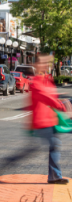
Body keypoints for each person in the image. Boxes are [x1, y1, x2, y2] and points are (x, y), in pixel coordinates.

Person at [30, 54, 69, 184]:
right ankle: (54, 176)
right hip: (41, 122)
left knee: (52, 145)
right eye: (42, 63)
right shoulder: (36, 81)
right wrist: (61, 106)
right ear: (36, 65)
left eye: (47, 63)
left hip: (49, 120)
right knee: (53, 145)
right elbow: (44, 97)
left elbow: (51, 96)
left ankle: (54, 176)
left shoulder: (46, 79)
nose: (45, 65)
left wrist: (60, 100)